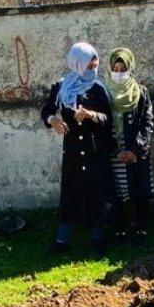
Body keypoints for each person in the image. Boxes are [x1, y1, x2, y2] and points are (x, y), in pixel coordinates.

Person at [41, 42, 115, 254]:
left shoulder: (98, 88)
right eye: (89, 66)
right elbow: (47, 111)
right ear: (78, 64)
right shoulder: (61, 87)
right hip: (73, 149)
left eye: (95, 66)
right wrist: (52, 120)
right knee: (70, 193)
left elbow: (108, 120)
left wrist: (91, 115)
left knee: (96, 192)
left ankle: (98, 237)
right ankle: (62, 240)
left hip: (95, 150)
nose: (93, 70)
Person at [104, 48, 154, 243]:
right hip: (114, 150)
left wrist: (135, 149)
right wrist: (116, 150)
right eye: (115, 68)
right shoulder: (104, 92)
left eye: (123, 68)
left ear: (130, 68)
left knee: (140, 190)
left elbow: (147, 122)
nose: (119, 72)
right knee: (117, 190)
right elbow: (102, 125)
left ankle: (141, 229)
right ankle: (120, 229)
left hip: (137, 149)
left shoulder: (141, 92)